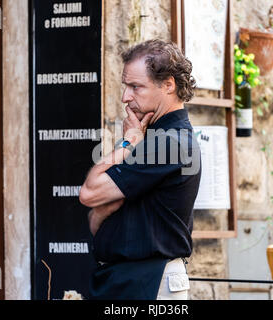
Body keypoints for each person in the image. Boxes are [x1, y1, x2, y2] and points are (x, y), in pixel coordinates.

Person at [79, 39, 201, 300]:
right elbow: (97, 212)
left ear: (168, 85)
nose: (125, 97)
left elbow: (90, 193)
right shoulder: (158, 138)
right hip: (130, 279)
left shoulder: (168, 142)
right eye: (126, 86)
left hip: (150, 280)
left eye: (136, 87)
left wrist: (129, 141)